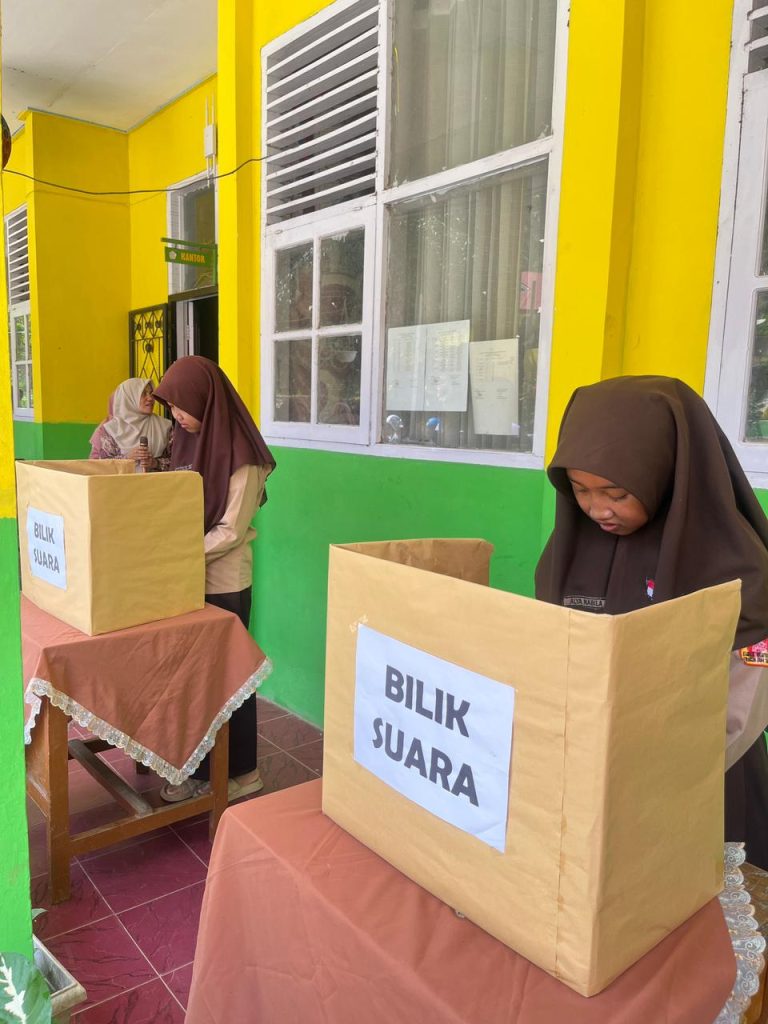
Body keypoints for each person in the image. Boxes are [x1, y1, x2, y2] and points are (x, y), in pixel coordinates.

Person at [535, 375, 768, 869]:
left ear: (668, 472)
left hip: (700, 772)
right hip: (588, 766)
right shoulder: (570, 548)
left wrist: (665, 769)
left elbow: (745, 698)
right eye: (579, 489)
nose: (597, 509)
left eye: (617, 493)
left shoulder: (736, 565)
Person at [152, 356, 276, 803]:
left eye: (180, 405)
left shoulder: (243, 456)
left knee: (230, 677)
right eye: (170, 408)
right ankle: (198, 767)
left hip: (224, 583)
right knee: (193, 680)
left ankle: (243, 772)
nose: (176, 416)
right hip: (188, 578)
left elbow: (230, 531)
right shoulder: (190, 441)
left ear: (203, 399)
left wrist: (177, 556)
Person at [89, 377, 172, 470]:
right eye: (143, 394)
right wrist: (126, 459)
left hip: (157, 480)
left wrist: (155, 463)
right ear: (129, 397)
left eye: (151, 393)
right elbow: (96, 467)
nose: (150, 398)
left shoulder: (165, 427)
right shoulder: (109, 430)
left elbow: (178, 463)